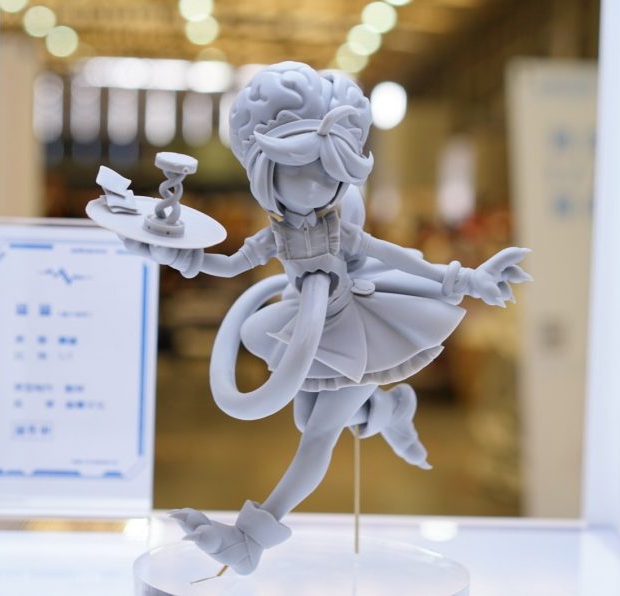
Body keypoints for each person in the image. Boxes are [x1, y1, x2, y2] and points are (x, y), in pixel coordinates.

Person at [123, 61, 530, 574]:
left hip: (359, 328)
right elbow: (230, 265)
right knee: (306, 419)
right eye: (300, 169)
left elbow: (396, 254)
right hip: (307, 326)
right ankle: (389, 411)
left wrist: (462, 278)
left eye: (329, 171)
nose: (317, 185)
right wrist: (182, 257)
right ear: (267, 171)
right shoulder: (276, 233)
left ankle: (251, 537)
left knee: (317, 435)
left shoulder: (341, 229)